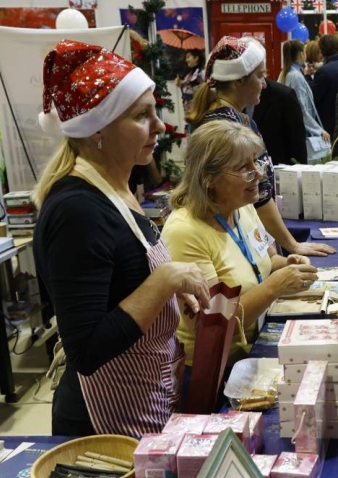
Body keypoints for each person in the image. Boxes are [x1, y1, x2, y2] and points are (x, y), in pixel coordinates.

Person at [33, 40, 211, 437]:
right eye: (142, 116)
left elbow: (121, 280)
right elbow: (88, 351)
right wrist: (163, 281)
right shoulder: (76, 211)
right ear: (97, 129)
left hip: (148, 399)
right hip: (104, 424)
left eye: (156, 112)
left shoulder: (119, 190)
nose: (160, 126)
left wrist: (172, 294)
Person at [163, 121, 318, 377]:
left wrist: (289, 264)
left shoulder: (241, 206)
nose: (258, 174)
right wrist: (275, 286)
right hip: (213, 370)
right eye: (243, 168)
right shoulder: (185, 232)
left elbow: (268, 261)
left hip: (250, 352)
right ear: (208, 178)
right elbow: (214, 323)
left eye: (255, 162)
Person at [188, 36, 333, 257]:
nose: (264, 84)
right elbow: (259, 196)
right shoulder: (229, 128)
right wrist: (292, 245)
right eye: (260, 76)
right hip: (232, 241)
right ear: (238, 81)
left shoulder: (234, 119)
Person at [281, 39, 329, 144]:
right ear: (301, 54)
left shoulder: (285, 73)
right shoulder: (296, 76)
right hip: (300, 133)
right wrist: (319, 130)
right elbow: (302, 109)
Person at [254, 78, 307, 166]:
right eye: (258, 75)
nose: (263, 84)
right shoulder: (233, 100)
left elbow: (297, 142)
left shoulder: (284, 95)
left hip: (279, 170)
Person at [312, 34, 338, 136]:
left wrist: (307, 77)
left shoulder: (324, 71)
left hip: (329, 125)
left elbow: (313, 98)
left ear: (322, 50)